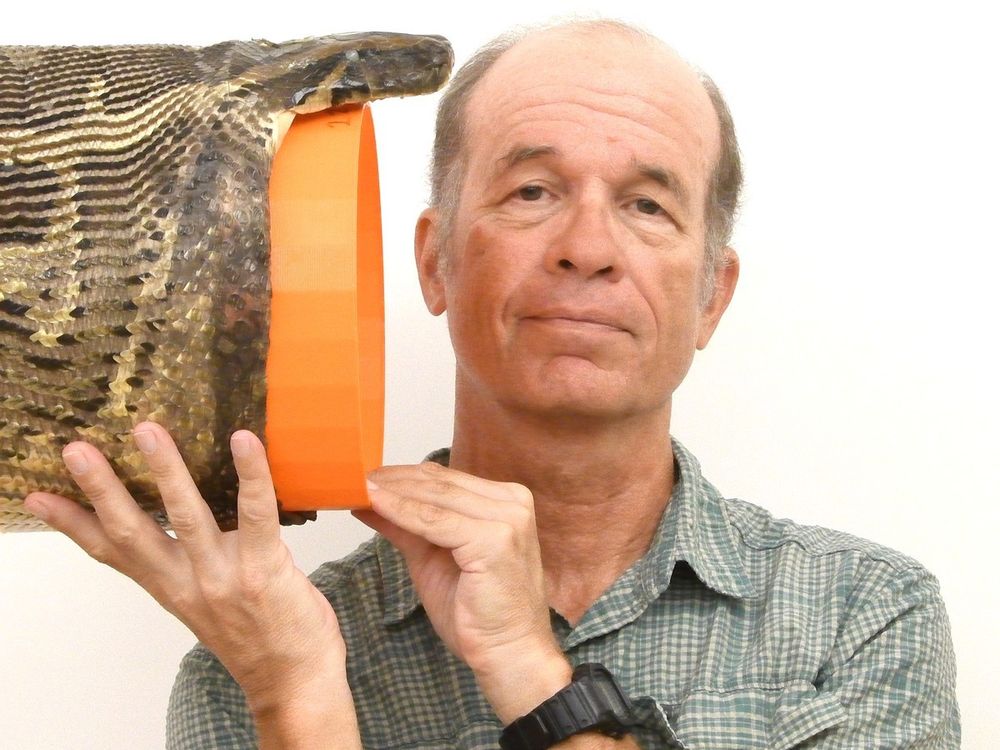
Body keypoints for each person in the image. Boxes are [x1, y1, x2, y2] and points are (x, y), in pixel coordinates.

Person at [23, 18, 960, 750]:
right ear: (435, 264)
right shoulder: (260, 658)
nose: (587, 249)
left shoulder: (861, 616)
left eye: (646, 205)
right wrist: (297, 694)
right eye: (532, 192)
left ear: (711, 297)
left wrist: (527, 669)